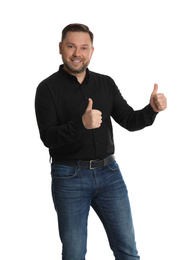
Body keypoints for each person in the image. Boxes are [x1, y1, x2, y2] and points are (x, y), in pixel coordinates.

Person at [35, 23, 167, 260]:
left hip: (109, 174)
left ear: (92, 51)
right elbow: (48, 137)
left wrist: (151, 110)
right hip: (69, 177)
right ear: (60, 48)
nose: (77, 53)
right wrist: (80, 124)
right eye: (71, 46)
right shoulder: (47, 89)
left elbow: (129, 120)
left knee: (128, 251)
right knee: (74, 254)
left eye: (84, 47)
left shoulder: (105, 83)